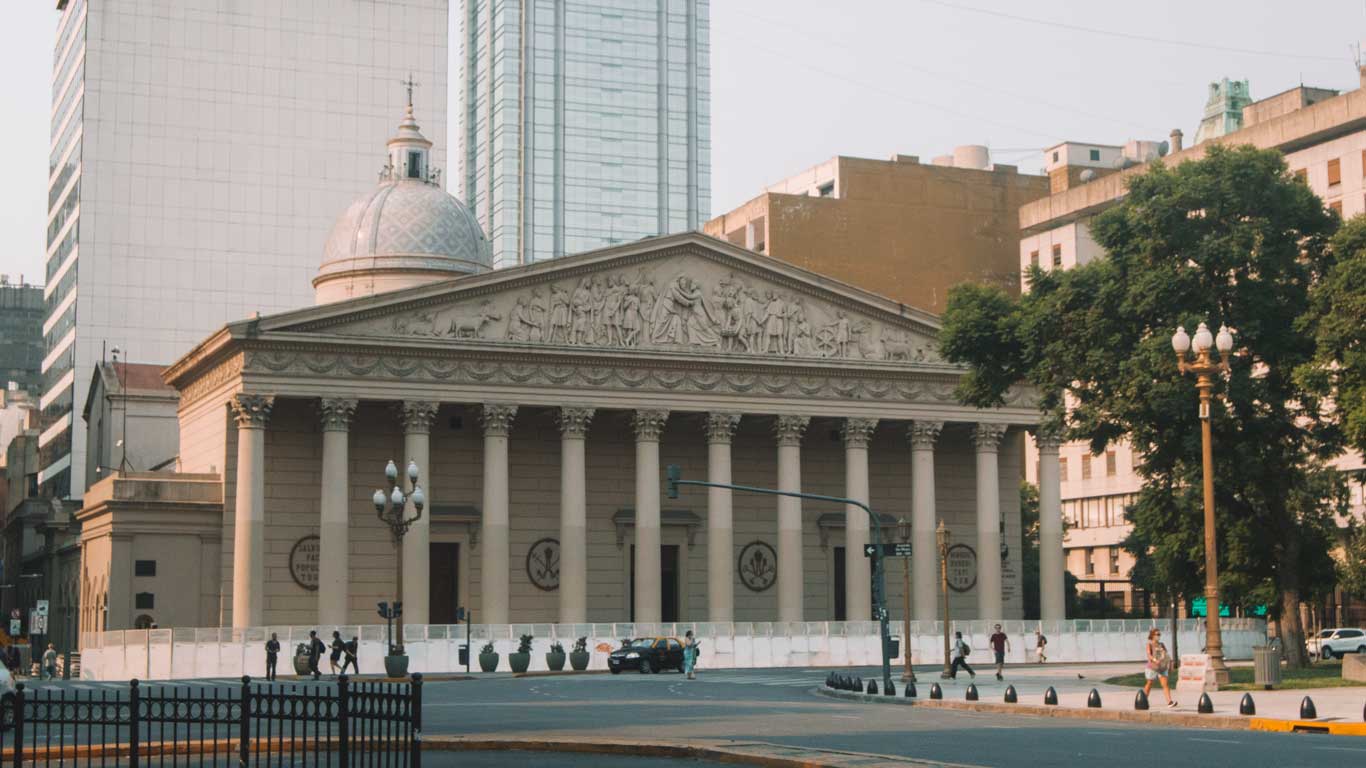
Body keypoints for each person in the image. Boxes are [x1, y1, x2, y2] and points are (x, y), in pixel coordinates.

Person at [1143, 627, 1177, 708]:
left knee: (1165, 684)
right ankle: (1143, 700)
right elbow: (1149, 655)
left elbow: (1166, 655)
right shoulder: (1149, 644)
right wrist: (1155, 660)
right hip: (1152, 667)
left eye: (1159, 634)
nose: (1159, 636)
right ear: (1152, 635)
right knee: (1149, 683)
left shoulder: (1161, 644)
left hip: (1162, 667)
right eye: (1157, 634)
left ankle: (1169, 702)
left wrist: (1170, 664)